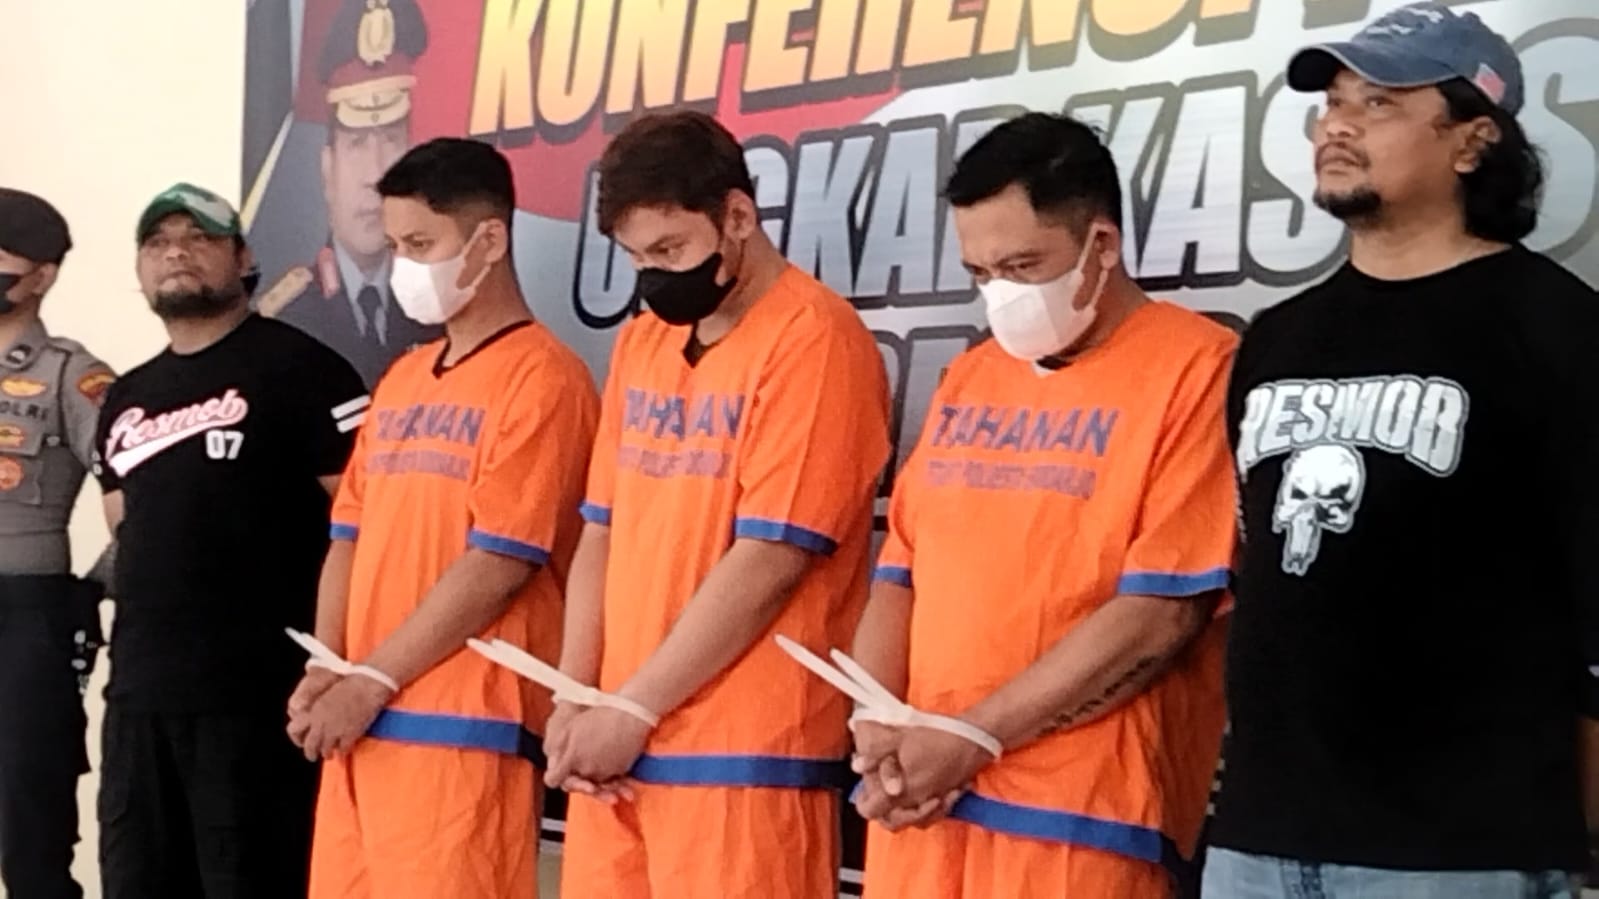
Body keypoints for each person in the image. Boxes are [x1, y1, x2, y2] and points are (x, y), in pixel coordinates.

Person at [1206, 5, 1597, 897]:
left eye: (1379, 102)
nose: (1337, 125)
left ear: (1470, 140)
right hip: (1256, 837)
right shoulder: (1275, 339)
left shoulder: (1557, 327)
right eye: (1331, 103)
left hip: (1458, 851)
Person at [844, 112, 1236, 898]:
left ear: (1101, 244)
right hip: (924, 800)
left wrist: (975, 735)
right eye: (981, 272)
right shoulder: (972, 375)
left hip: (1079, 814)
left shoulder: (1198, 366)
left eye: (1022, 265)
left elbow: (1161, 613)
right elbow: (900, 572)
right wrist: (873, 717)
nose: (1002, 293)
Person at [547, 110, 891, 898]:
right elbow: (601, 529)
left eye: (669, 250)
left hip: (743, 754)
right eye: (636, 257)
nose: (653, 275)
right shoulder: (642, 342)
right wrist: (575, 694)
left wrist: (635, 707)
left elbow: (773, 555)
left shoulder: (816, 337)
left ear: (736, 216)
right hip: (613, 744)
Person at [290, 137, 598, 899]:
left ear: (488, 240)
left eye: (421, 245)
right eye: (396, 246)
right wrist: (328, 662)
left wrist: (372, 678)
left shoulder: (544, 377)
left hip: (462, 726)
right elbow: (347, 535)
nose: (404, 266)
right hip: (361, 724)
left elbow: (501, 559)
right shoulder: (400, 379)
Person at [92, 183, 369, 899]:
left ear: (243, 258)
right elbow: (126, 525)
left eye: (200, 237)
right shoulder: (126, 395)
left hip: (259, 701)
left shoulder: (306, 370)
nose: (176, 253)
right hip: (140, 698)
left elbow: (367, 525)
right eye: (158, 242)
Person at [0, 189, 115, 899]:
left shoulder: (74, 373)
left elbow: (144, 498)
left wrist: (93, 589)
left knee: (29, 823)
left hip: (25, 614)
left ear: (41, 275)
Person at [270, 0, 440, 387]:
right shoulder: (286, 317)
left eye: (391, 141)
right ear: (327, 170)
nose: (376, 175)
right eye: (357, 144)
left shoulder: (441, 308)